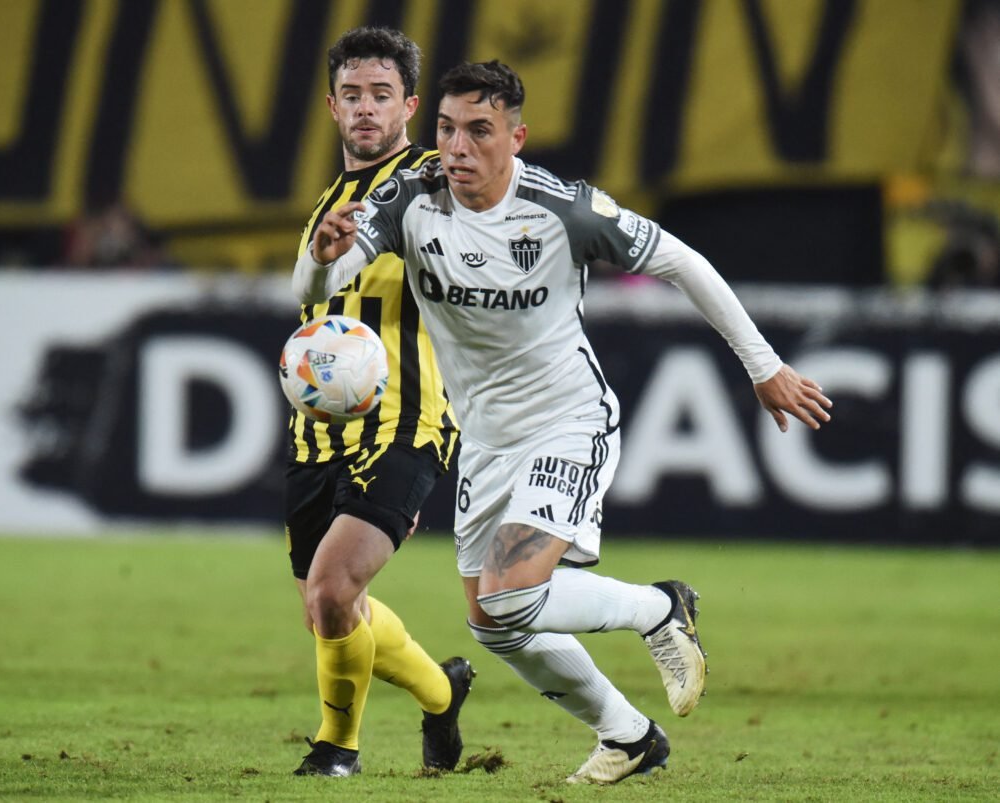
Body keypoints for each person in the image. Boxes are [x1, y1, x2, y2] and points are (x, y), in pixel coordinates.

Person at [294, 60, 833, 784]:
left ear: (516, 138)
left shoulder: (563, 210)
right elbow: (317, 284)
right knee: (494, 625)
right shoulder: (409, 200)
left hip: (568, 421)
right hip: (485, 439)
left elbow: (683, 262)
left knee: (509, 592)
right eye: (447, 129)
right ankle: (628, 734)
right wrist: (321, 259)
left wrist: (763, 366)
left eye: (479, 131)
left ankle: (659, 606)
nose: (456, 147)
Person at [285, 27, 473, 778]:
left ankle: (338, 748)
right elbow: (309, 297)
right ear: (332, 106)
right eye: (353, 95)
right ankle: (442, 693)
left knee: (334, 589)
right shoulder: (328, 203)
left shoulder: (433, 182)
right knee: (330, 609)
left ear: (410, 106)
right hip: (319, 433)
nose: (366, 108)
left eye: (382, 95)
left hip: (405, 421)